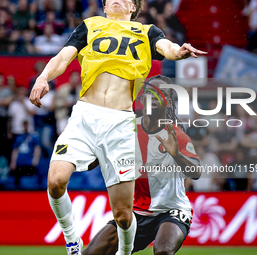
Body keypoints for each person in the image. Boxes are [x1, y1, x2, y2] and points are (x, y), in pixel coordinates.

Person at [29, 1, 206, 254]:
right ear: (103, 6)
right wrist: (43, 77)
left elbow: (166, 47)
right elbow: (63, 57)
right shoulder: (90, 26)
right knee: (56, 181)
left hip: (120, 121)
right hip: (85, 115)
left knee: (123, 215)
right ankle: (71, 240)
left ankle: (124, 252)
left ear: (133, 7)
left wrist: (179, 51)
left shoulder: (146, 32)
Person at [83, 75, 201, 255]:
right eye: (150, 93)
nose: (154, 97)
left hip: (172, 210)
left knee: (163, 251)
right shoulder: (126, 129)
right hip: (136, 212)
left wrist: (176, 154)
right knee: (92, 253)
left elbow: (195, 172)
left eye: (161, 94)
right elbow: (90, 163)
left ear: (168, 102)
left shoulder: (175, 134)